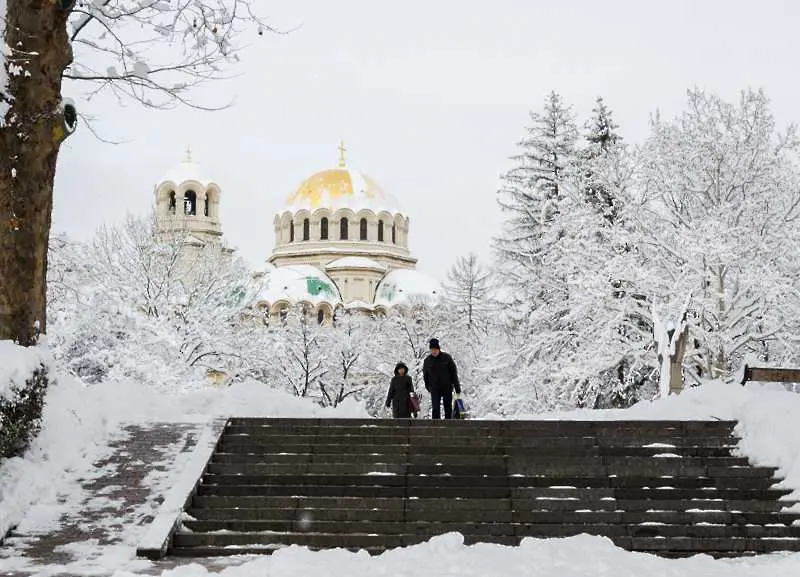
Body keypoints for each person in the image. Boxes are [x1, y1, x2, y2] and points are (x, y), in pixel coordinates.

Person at [422, 338, 461, 419]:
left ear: (439, 349)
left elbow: (454, 373)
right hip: (434, 388)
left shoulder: (447, 358)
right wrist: (427, 386)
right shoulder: (427, 361)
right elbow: (425, 375)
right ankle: (435, 426)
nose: (434, 351)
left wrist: (457, 386)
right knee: (435, 408)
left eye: (435, 349)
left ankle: (448, 425)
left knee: (448, 407)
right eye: (432, 349)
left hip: (447, 387)